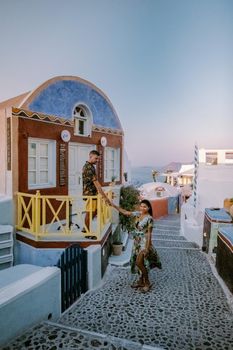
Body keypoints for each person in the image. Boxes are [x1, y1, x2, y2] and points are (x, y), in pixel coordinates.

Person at [113, 199, 161, 292]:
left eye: (145, 206)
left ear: (149, 208)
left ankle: (147, 282)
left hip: (144, 243)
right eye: (141, 206)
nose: (142, 208)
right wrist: (113, 205)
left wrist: (147, 248)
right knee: (138, 262)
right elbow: (126, 212)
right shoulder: (138, 214)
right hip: (136, 243)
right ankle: (140, 281)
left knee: (139, 262)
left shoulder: (149, 218)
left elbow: (149, 234)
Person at [82, 150, 111, 238]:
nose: (97, 160)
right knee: (89, 213)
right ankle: (87, 233)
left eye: (98, 159)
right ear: (90, 156)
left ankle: (85, 228)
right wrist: (105, 196)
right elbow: (96, 183)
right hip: (90, 194)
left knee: (95, 211)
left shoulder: (91, 166)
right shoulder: (88, 167)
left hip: (93, 193)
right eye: (96, 158)